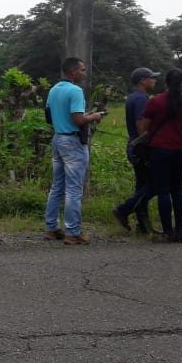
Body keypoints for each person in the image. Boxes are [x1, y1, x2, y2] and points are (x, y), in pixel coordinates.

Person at [43, 57, 105, 245]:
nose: (84, 74)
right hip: (73, 142)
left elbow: (49, 116)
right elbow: (78, 120)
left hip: (58, 139)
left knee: (57, 186)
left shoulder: (54, 89)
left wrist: (75, 118)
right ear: (72, 72)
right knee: (73, 189)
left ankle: (51, 227)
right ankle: (73, 231)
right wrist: (93, 116)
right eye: (82, 70)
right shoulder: (76, 91)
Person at [141, 69, 182, 242]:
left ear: (166, 82)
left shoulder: (155, 102)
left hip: (160, 149)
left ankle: (168, 231)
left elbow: (146, 128)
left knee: (163, 190)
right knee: (177, 188)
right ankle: (181, 230)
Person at [112, 67, 161, 233]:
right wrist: (149, 146)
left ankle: (143, 225)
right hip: (141, 148)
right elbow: (142, 127)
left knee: (142, 186)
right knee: (155, 184)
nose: (155, 80)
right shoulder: (141, 99)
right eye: (152, 77)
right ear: (143, 81)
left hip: (134, 146)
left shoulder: (134, 97)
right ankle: (124, 209)